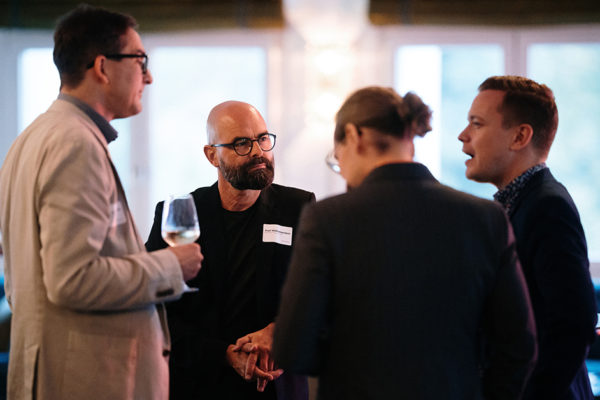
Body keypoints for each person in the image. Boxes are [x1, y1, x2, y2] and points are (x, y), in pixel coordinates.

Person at [272, 86, 538, 399]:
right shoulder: (485, 217)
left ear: (355, 135)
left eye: (338, 153)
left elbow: (293, 349)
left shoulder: (327, 219)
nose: (340, 164)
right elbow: (519, 346)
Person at [0, 5, 203, 400]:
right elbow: (72, 280)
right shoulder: (75, 143)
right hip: (85, 379)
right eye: (140, 60)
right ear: (102, 67)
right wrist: (170, 267)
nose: (149, 76)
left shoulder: (32, 138)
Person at [146, 100, 313, 400]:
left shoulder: (299, 208)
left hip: (277, 388)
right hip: (201, 384)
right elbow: (155, 311)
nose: (259, 152)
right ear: (212, 155)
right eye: (241, 144)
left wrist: (279, 330)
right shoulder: (180, 214)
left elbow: (319, 296)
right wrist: (223, 354)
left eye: (263, 138)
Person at [459, 75, 597, 399]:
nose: (462, 136)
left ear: (520, 136)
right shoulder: (519, 203)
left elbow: (574, 323)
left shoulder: (547, 206)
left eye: (476, 124)